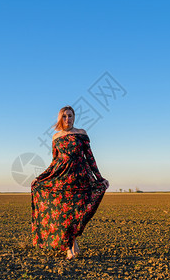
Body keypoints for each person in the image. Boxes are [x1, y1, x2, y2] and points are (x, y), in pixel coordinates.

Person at [31, 105, 109, 259]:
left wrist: (100, 178)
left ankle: (72, 244)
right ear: (61, 119)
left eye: (70, 116)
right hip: (62, 180)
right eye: (64, 116)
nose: (67, 119)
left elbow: (90, 158)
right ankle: (70, 247)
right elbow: (55, 162)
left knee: (77, 214)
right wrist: (39, 178)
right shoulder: (56, 137)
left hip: (81, 179)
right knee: (64, 215)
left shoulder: (81, 134)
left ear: (74, 117)